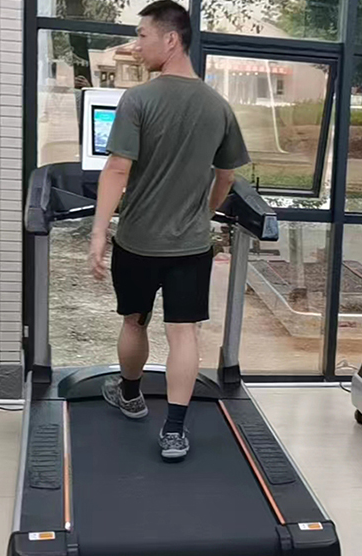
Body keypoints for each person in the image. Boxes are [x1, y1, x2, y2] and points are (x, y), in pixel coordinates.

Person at [87, 0, 249, 462]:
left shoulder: (138, 100)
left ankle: (131, 395)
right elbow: (226, 177)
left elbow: (117, 169)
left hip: (137, 241)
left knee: (133, 320)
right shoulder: (219, 107)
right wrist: (203, 212)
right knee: (184, 334)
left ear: (171, 39)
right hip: (191, 245)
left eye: (143, 36)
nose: (137, 46)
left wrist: (98, 233)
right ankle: (174, 431)